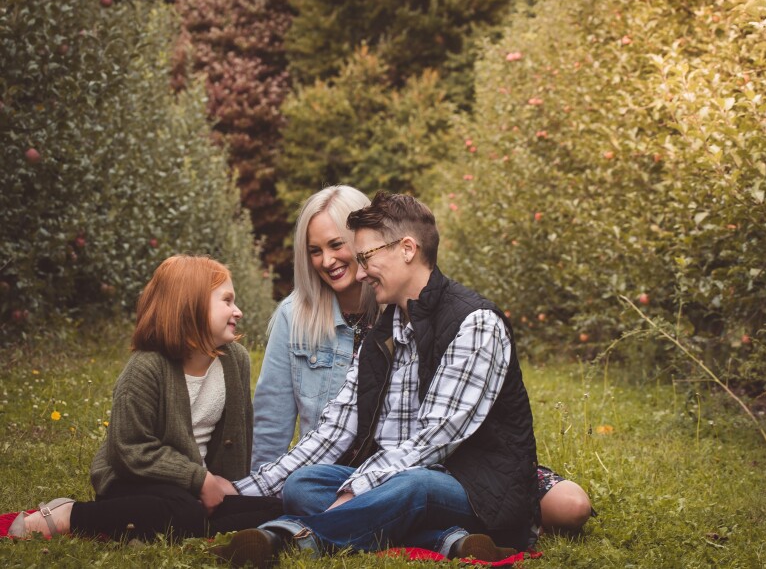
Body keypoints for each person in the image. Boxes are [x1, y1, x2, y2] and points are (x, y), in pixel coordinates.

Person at [252, 185, 594, 542]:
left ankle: (300, 538)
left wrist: (355, 491)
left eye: (366, 257)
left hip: (467, 480)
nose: (361, 273)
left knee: (415, 485)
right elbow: (335, 428)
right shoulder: (384, 330)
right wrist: (241, 491)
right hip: (398, 475)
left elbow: (435, 440)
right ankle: (443, 540)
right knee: (304, 485)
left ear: (407, 249)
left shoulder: (474, 322)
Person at [8, 255, 282, 541]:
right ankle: (71, 514)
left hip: (194, 489)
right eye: (226, 301)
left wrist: (224, 487)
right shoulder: (147, 367)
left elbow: (239, 432)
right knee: (183, 510)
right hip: (135, 479)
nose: (237, 311)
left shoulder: (235, 360)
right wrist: (199, 479)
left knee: (276, 507)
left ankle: (167, 531)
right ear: (190, 305)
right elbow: (130, 449)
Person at [250, 185, 376, 471]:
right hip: (318, 477)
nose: (327, 261)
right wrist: (257, 495)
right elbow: (272, 420)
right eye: (314, 251)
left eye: (336, 244)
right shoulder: (293, 316)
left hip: (384, 479)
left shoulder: (396, 312)